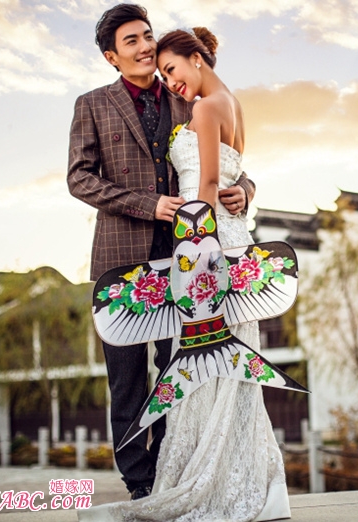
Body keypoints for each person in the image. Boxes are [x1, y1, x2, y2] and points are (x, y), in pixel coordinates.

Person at [77, 27, 291, 522]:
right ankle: (141, 484)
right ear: (111, 56)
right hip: (127, 258)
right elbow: (78, 178)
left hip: (190, 255)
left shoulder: (188, 100)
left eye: (147, 37)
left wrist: (246, 190)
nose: (144, 48)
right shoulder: (93, 104)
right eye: (131, 42)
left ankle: (182, 478)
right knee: (127, 380)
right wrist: (148, 204)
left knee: (192, 373)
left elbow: (222, 165)